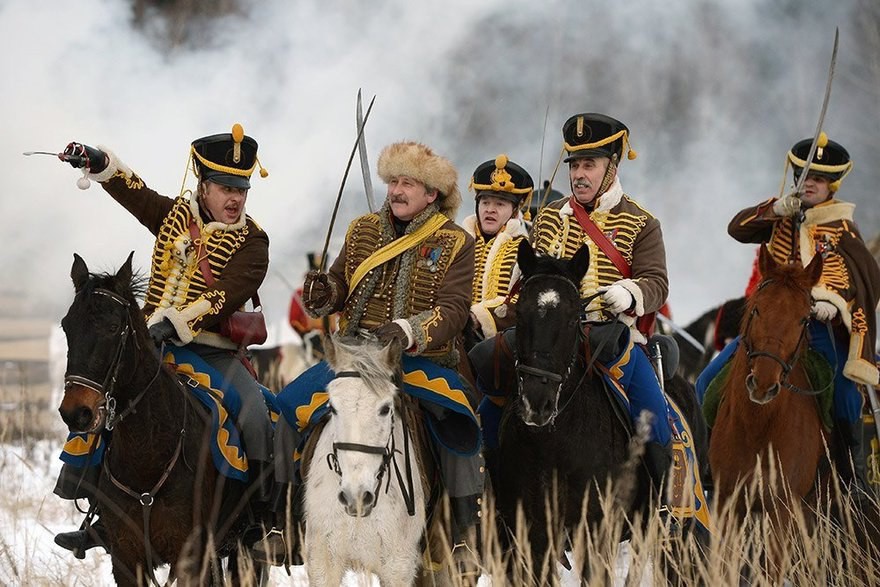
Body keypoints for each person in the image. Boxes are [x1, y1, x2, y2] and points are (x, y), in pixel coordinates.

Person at [53, 124, 275, 556]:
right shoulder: (174, 216)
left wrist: (173, 322)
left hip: (213, 351)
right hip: (151, 346)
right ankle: (99, 514)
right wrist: (99, 164)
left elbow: (222, 295)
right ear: (204, 186)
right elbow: (136, 194)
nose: (234, 199)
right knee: (100, 395)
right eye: (225, 187)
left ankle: (258, 521)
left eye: (241, 190)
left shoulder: (253, 242)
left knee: (254, 416)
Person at [262, 141, 482, 568]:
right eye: (393, 182)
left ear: (431, 194)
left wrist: (407, 330)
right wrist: (325, 293)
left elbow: (454, 310)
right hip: (354, 356)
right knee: (286, 409)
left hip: (420, 360)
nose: (396, 191)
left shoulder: (455, 242)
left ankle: (462, 536)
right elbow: (341, 285)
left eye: (408, 184)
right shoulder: (362, 230)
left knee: (461, 420)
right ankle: (282, 524)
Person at [473, 113, 673, 486]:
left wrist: (628, 291)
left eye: (589, 165)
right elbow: (520, 289)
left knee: (655, 417)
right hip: (544, 338)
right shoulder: (548, 216)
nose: (579, 174)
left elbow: (657, 284)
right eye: (575, 165)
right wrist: (487, 312)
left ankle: (665, 506)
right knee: (488, 400)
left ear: (611, 167)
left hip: (611, 338)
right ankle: (486, 490)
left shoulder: (642, 222)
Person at [697, 133, 880, 493]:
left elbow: (864, 280)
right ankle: (707, 469)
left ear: (832, 185)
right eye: (805, 175)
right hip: (770, 329)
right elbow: (737, 229)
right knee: (707, 382)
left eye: (819, 179)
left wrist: (833, 301)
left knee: (844, 396)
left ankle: (851, 480)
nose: (810, 183)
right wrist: (774, 209)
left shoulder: (843, 228)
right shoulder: (781, 213)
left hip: (818, 332)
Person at [462, 154, 533, 348]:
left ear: (515, 211)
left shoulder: (525, 249)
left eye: (500, 204)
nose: (490, 210)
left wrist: (478, 317)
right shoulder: (457, 242)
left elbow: (524, 301)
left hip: (500, 345)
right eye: (485, 202)